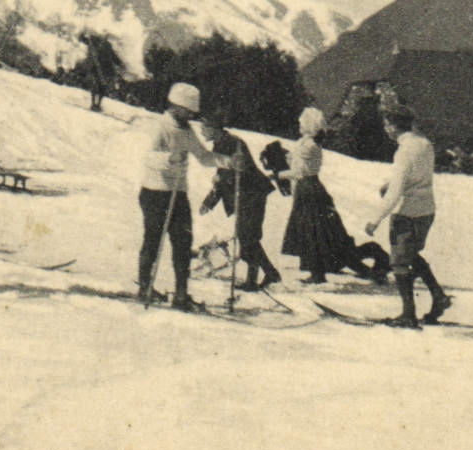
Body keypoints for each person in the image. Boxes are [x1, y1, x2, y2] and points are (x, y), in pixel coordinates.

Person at [137, 82, 223, 311]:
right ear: (176, 105)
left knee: (183, 242)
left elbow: (203, 156)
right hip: (155, 192)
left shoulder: (186, 130)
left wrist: (226, 161)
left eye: (193, 111)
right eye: (188, 110)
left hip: (178, 193)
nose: (191, 115)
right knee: (153, 241)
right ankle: (144, 286)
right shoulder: (161, 126)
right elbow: (148, 157)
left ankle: (182, 294)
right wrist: (170, 159)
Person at [281, 107, 389, 286]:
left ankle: (320, 273)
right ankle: (319, 272)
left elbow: (300, 171)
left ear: (309, 124)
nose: (299, 124)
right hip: (308, 190)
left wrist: (280, 174)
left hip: (309, 190)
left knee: (315, 232)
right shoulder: (305, 143)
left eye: (302, 122)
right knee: (318, 233)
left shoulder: (309, 145)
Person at [365, 107, 450, 328]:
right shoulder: (425, 144)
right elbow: (417, 177)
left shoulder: (403, 151)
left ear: (393, 126)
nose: (386, 129)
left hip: (406, 212)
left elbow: (396, 192)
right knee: (412, 255)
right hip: (427, 209)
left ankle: (408, 314)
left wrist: (376, 219)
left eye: (386, 125)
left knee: (400, 262)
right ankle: (438, 296)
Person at [198, 110, 281, 292]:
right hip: (247, 194)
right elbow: (223, 174)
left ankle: (253, 280)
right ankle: (271, 272)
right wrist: (210, 199)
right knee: (247, 235)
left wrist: (212, 198)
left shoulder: (232, 143)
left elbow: (238, 170)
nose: (202, 131)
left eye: (204, 127)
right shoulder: (223, 143)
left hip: (252, 193)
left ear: (214, 128)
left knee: (247, 236)